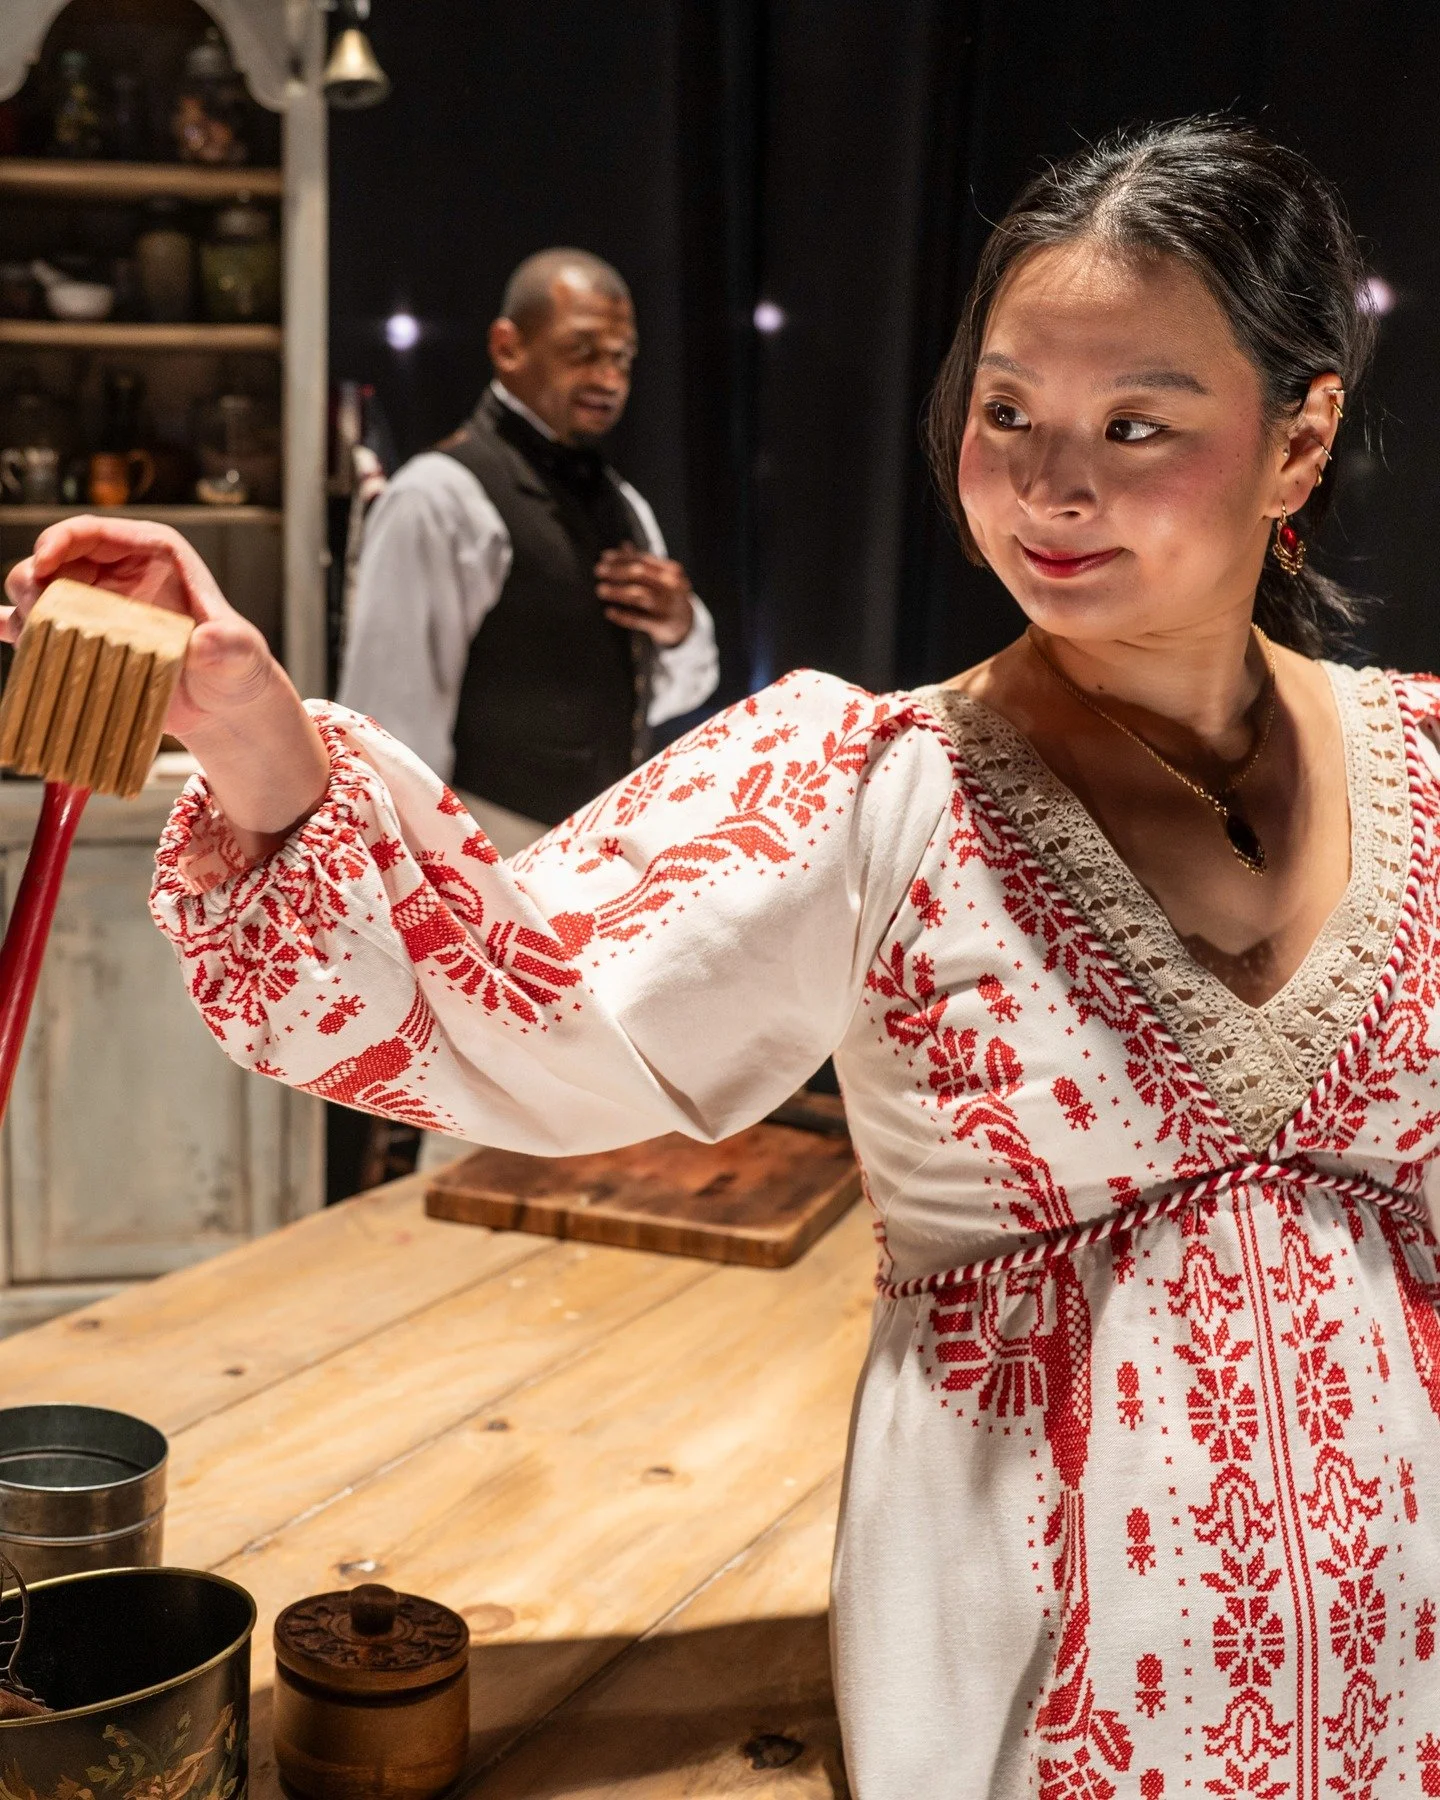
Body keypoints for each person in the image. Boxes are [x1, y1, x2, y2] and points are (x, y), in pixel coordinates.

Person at [8, 120, 1439, 1795]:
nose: (1051, 485)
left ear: (1299, 440)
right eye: (1006, 412)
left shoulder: (1423, 768)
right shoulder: (874, 791)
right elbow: (515, 1003)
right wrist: (252, 728)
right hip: (1035, 1695)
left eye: (1137, 424)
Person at [338, 247, 718, 857]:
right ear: (508, 346)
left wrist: (679, 628)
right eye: (583, 351)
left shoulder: (624, 505)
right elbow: (387, 738)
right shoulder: (435, 497)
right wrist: (426, 887)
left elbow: (669, 695)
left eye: (621, 357)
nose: (609, 379)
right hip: (486, 856)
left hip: (604, 858)